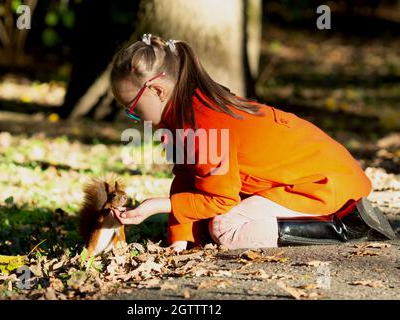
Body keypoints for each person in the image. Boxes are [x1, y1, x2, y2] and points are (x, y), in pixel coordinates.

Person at [109, 34, 397, 252]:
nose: (133, 117)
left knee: (224, 227)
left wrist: (158, 205)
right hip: (314, 176)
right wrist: (181, 240)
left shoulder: (202, 125)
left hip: (322, 185)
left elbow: (221, 199)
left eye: (133, 109)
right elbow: (191, 178)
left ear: (157, 91)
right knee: (218, 220)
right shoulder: (189, 110)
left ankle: (344, 227)